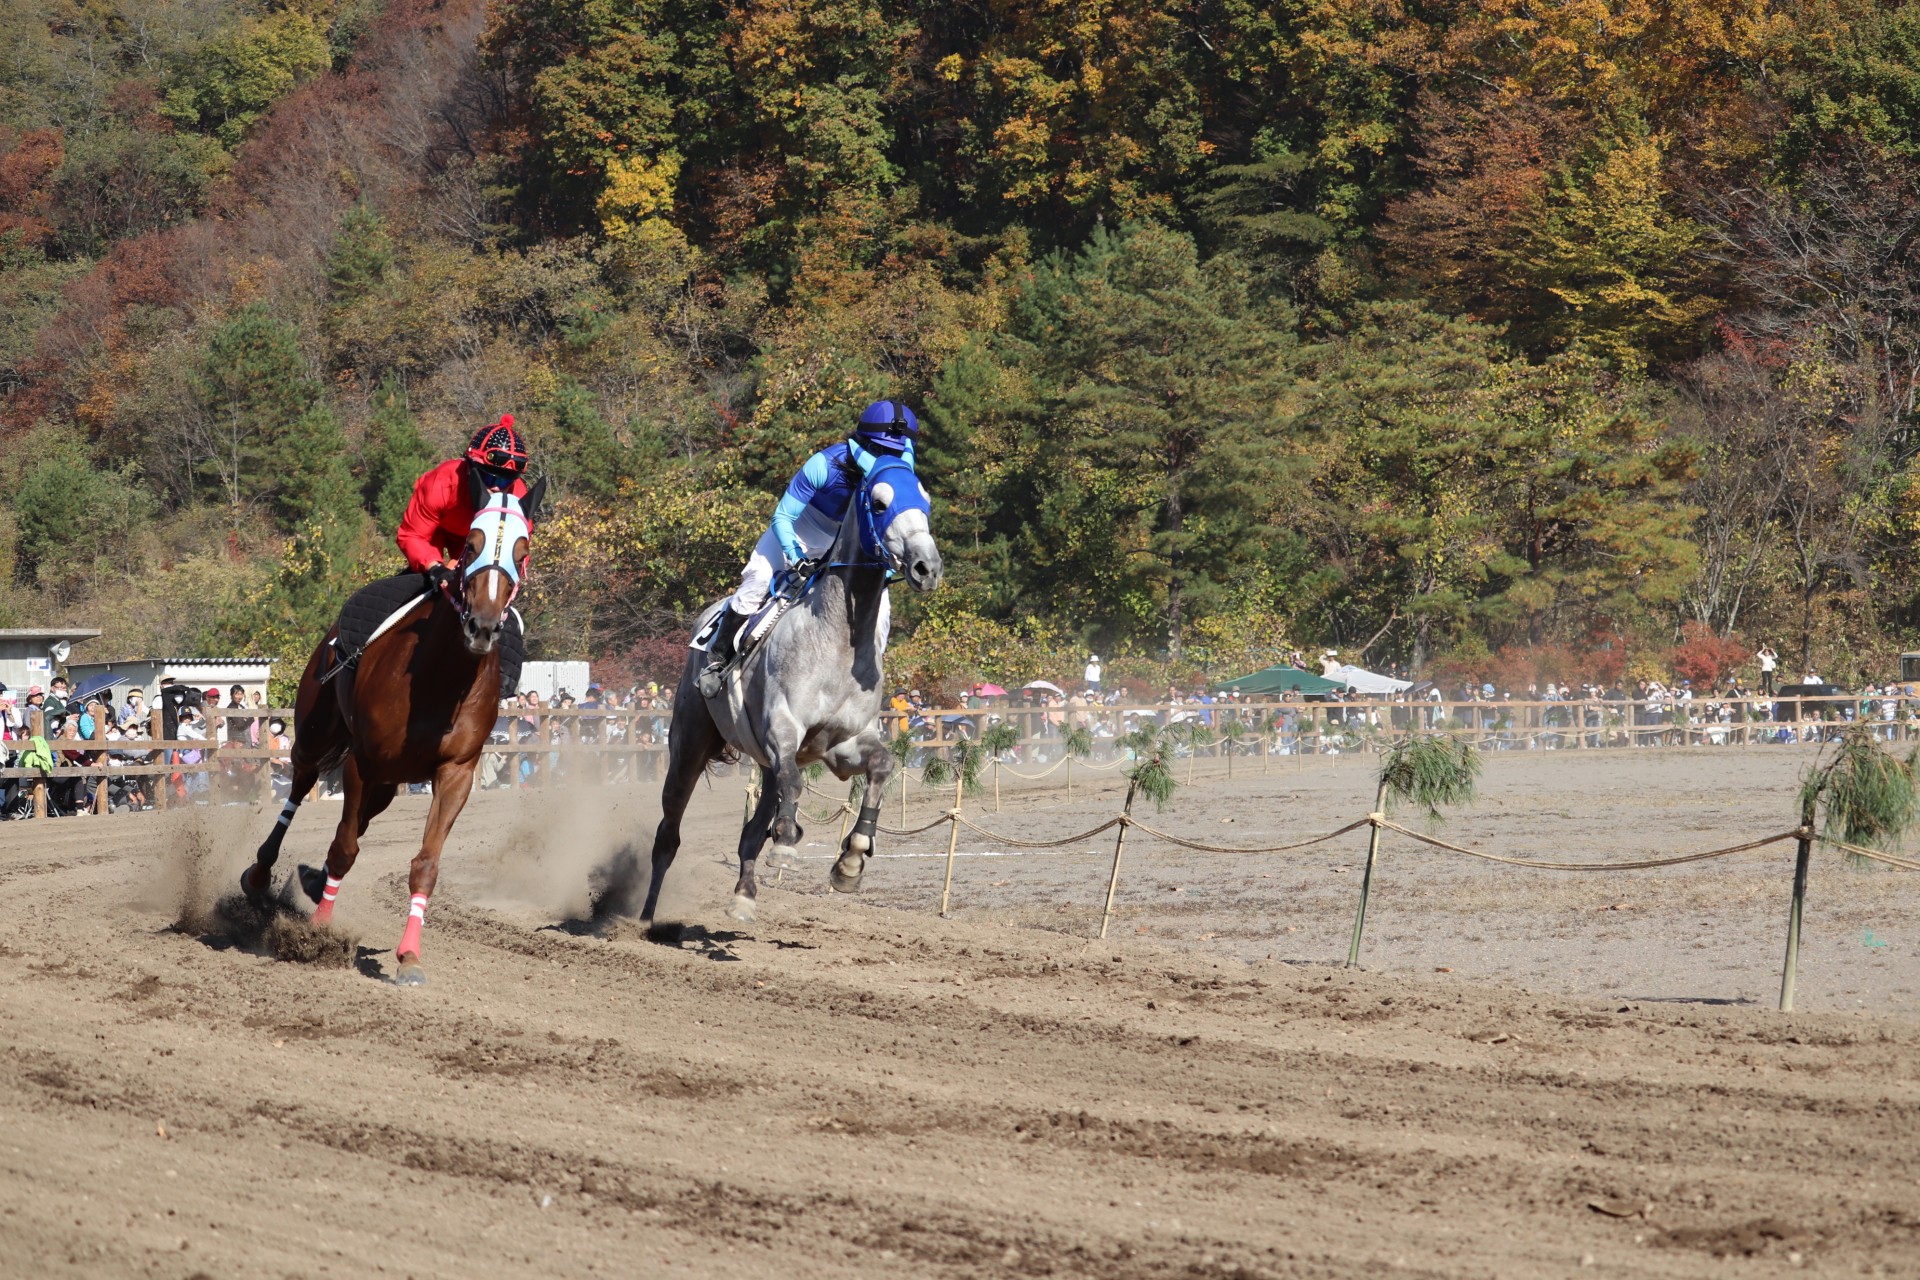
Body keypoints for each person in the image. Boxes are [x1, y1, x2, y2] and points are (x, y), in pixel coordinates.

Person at [697, 399, 921, 697]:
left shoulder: (903, 463)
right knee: (758, 582)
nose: (889, 459)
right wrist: (795, 556)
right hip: (800, 528)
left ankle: (869, 670)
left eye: (896, 451)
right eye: (883, 451)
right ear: (865, 444)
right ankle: (718, 658)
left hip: (845, 538)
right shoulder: (823, 464)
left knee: (879, 604)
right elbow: (783, 516)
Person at [395, 414, 535, 691]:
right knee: (409, 587)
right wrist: (435, 566)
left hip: (477, 547)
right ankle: (353, 653)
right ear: (470, 468)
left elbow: (518, 552)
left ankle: (503, 683)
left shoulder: (518, 496)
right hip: (435, 534)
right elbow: (412, 535)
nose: (496, 486)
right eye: (489, 476)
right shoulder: (441, 482)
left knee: (500, 606)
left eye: (506, 480)